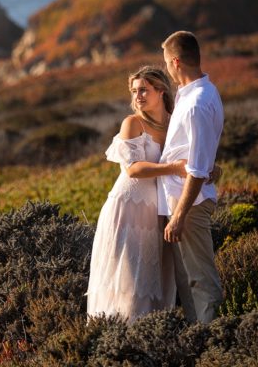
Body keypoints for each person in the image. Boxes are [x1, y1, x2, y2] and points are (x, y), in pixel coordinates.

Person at [87, 66, 184, 321]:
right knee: (128, 278)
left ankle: (150, 338)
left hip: (157, 211)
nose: (138, 96)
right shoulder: (133, 123)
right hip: (128, 208)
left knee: (153, 279)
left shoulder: (175, 122)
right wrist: (174, 168)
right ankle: (116, 335)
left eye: (143, 90)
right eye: (134, 91)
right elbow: (133, 169)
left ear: (161, 90)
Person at [159, 30, 224, 324]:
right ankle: (196, 335)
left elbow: (197, 170)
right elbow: (202, 153)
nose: (166, 69)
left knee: (201, 277)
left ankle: (212, 339)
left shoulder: (196, 103)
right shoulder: (199, 93)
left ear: (175, 62)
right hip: (183, 199)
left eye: (166, 63)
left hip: (191, 204)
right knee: (186, 279)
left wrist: (179, 216)